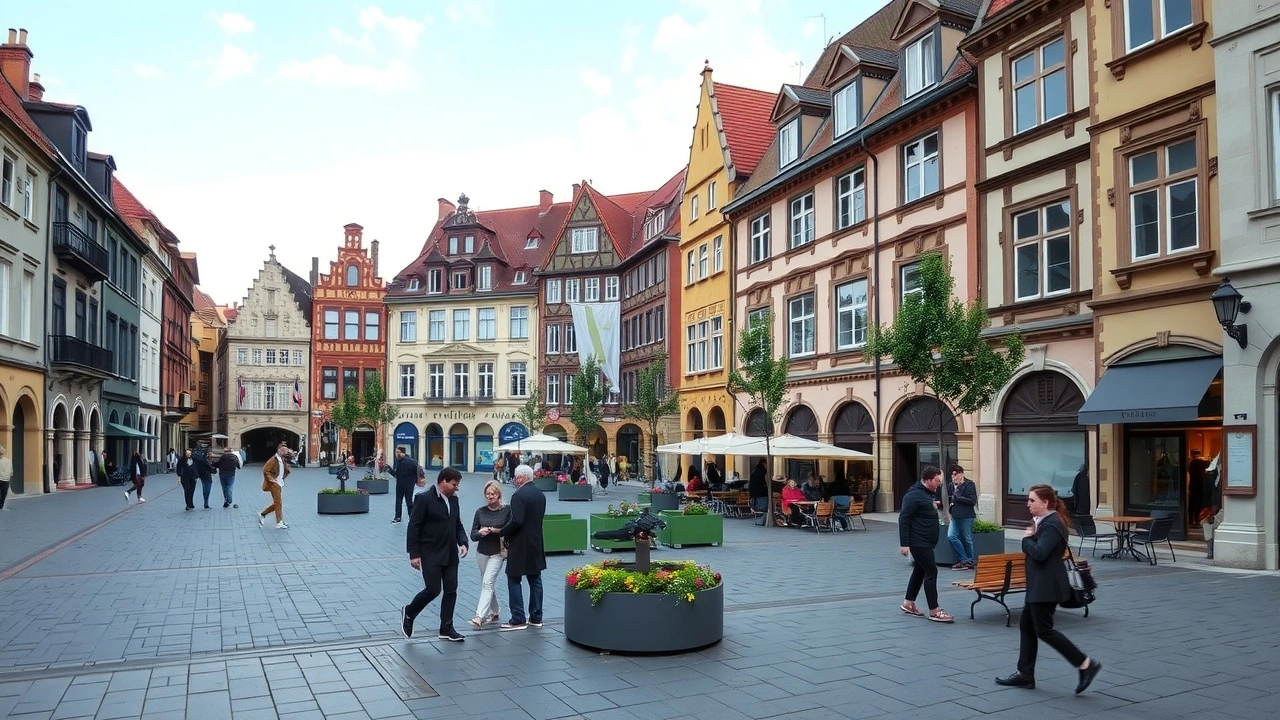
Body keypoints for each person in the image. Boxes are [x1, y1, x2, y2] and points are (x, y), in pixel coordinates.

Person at [996, 484, 1102, 694]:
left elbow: (1040, 553)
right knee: (1027, 626)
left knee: (1044, 630)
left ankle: (1085, 664)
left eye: (1032, 500)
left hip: (1046, 587)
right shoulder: (1047, 522)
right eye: (1028, 500)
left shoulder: (1052, 524)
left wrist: (1026, 538)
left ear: (1045, 503)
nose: (1028, 504)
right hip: (1039, 585)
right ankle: (1025, 674)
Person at [400, 467, 468, 642]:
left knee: (451, 590)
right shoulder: (424, 499)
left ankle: (446, 627)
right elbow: (413, 526)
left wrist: (463, 542)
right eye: (454, 484)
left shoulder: (454, 500)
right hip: (431, 553)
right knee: (433, 590)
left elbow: (457, 523)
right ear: (444, 481)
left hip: (451, 553)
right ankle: (409, 612)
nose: (456, 488)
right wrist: (414, 554)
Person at [898, 466, 953, 623]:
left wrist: (932, 505)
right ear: (928, 480)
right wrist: (904, 544)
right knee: (931, 571)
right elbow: (904, 519)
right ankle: (934, 611)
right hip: (919, 542)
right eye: (937, 481)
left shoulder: (926, 494)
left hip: (926, 541)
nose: (939, 484)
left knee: (920, 570)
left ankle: (908, 603)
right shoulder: (914, 495)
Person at [500, 464, 547, 631]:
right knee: (535, 579)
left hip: (520, 544)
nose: (514, 479)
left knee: (513, 578)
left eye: (515, 476)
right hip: (536, 542)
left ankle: (518, 618)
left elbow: (517, 521)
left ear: (520, 478)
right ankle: (536, 617)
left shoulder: (518, 495)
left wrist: (503, 531)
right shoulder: (540, 494)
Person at [469, 480, 511, 628]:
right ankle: (495, 609)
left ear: (499, 495)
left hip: (498, 552)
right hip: (482, 551)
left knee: (488, 582)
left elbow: (510, 529)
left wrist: (497, 531)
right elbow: (473, 534)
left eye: (493, 493)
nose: (490, 496)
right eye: (487, 494)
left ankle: (480, 615)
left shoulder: (507, 510)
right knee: (486, 582)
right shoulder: (480, 511)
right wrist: (480, 532)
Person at [946, 464, 979, 571]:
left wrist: (958, 497)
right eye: (952, 475)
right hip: (955, 515)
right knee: (951, 536)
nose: (953, 477)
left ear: (961, 474)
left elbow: (972, 501)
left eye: (955, 474)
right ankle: (965, 560)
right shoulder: (951, 485)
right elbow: (949, 499)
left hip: (967, 515)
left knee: (967, 538)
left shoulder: (969, 484)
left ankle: (969, 561)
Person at [259, 442, 291, 529]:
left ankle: (263, 514)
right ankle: (279, 522)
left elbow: (285, 470)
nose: (285, 452)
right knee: (278, 503)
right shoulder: (273, 459)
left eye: (286, 450)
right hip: (274, 484)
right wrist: (272, 479)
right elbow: (265, 470)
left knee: (277, 503)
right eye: (283, 450)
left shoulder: (282, 459)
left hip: (279, 483)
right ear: (279, 450)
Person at [391, 447, 418, 524]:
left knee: (404, 501)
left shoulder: (407, 462)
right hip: (405, 484)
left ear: (403, 453)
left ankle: (400, 517)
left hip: (405, 484)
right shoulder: (401, 461)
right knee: (404, 501)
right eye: (396, 452)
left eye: (398, 452)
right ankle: (409, 517)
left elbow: (397, 474)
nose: (396, 454)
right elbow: (397, 474)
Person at [193, 444, 215, 510]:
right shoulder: (205, 459)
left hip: (200, 474)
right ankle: (206, 503)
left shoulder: (195, 457)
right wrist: (213, 469)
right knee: (207, 489)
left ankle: (189, 504)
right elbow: (210, 468)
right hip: (207, 475)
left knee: (202, 488)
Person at [0, 445, 14, 511]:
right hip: (6, 480)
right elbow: (11, 471)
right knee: (3, 495)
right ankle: (1, 506)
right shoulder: (8, 460)